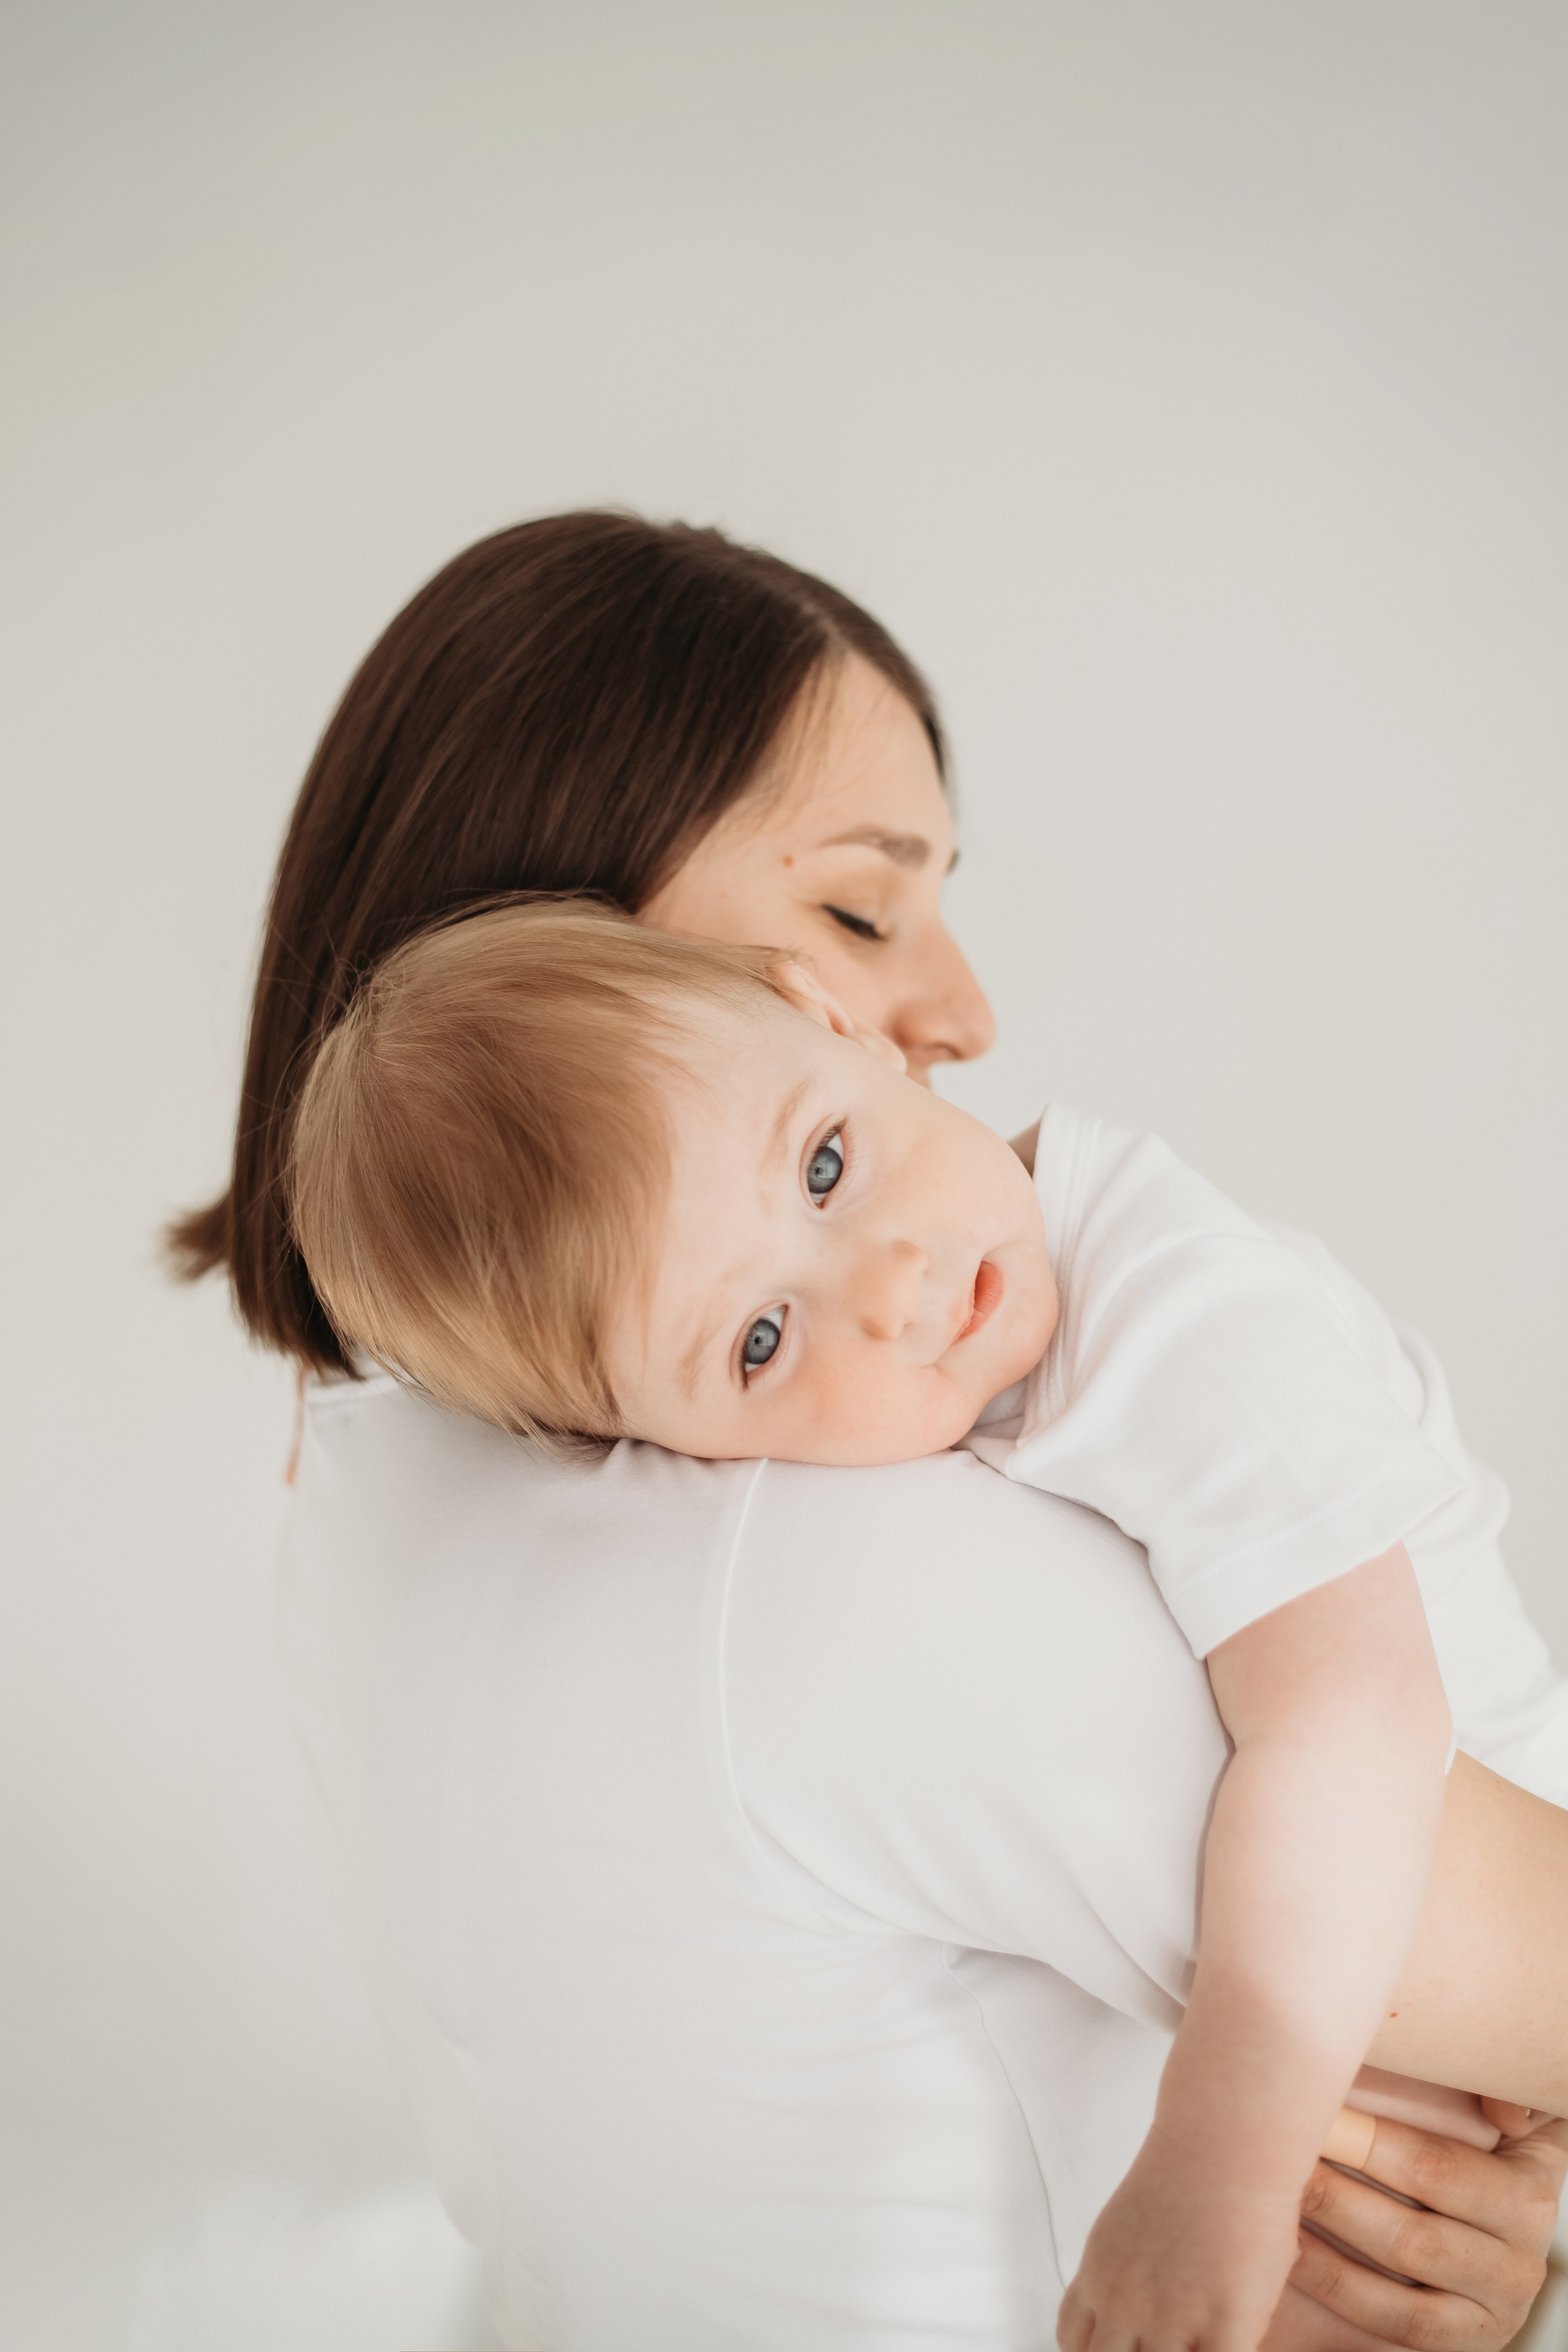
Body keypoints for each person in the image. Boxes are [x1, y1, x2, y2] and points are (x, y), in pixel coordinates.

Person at [173, 514, 1568, 2350]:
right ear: (564, 932)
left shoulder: (379, 1494)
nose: (965, 1014)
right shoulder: (801, 1551)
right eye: (854, 905)